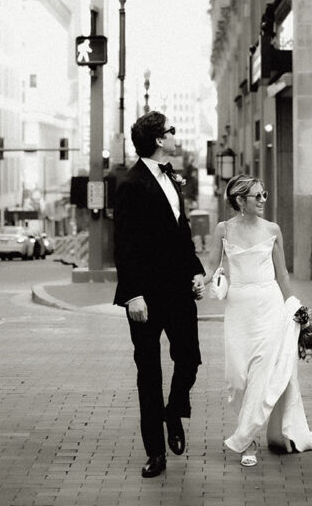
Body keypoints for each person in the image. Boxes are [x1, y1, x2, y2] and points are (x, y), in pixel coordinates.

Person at [204, 174, 312, 467]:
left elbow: (282, 274)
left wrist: (294, 306)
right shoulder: (224, 229)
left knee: (260, 375)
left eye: (264, 194)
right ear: (239, 200)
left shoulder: (272, 229)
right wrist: (197, 283)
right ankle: (251, 431)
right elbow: (210, 266)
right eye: (256, 196)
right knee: (236, 378)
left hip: (269, 307)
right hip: (238, 309)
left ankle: (247, 441)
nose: (262, 200)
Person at [113, 111, 205, 479]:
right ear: (157, 139)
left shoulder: (172, 178)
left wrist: (196, 271)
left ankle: (174, 410)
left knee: (190, 360)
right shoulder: (130, 184)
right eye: (170, 130)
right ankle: (155, 453)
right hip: (146, 297)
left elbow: (180, 232)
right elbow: (124, 244)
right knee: (148, 374)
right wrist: (133, 294)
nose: (174, 134)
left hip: (179, 289)